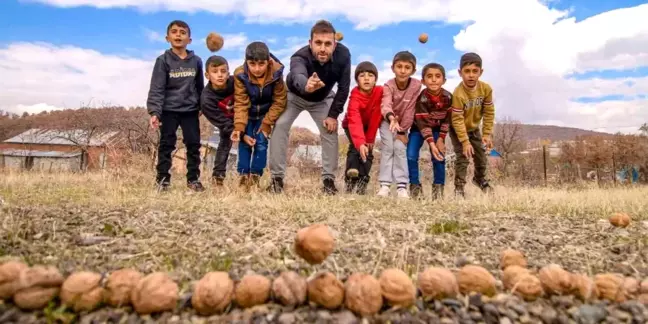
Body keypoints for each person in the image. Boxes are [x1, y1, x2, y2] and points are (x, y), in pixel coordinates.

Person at [267, 19, 351, 195]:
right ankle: (276, 179)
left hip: (323, 99)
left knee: (329, 129)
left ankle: (328, 181)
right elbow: (297, 73)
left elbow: (344, 88)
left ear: (335, 44)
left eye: (328, 44)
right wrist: (307, 84)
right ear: (310, 43)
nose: (322, 48)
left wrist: (333, 115)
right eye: (318, 43)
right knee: (280, 125)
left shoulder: (344, 56)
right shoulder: (299, 56)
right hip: (295, 95)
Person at [146, 20, 204, 192]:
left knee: (193, 145)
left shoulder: (197, 61)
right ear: (167, 37)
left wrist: (201, 105)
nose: (178, 34)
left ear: (189, 40)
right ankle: (162, 181)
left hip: (190, 111)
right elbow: (157, 88)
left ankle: (193, 180)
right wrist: (155, 112)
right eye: (174, 31)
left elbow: (200, 87)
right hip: (169, 110)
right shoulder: (163, 61)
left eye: (183, 32)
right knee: (166, 145)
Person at [230, 41, 287, 191]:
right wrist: (239, 127)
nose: (256, 69)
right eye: (252, 64)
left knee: (261, 144)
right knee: (244, 144)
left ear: (268, 62)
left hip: (265, 115)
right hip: (247, 114)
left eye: (261, 64)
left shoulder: (276, 74)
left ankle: (255, 176)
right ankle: (243, 177)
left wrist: (267, 122)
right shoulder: (240, 75)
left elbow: (280, 101)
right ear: (246, 62)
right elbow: (241, 102)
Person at [450, 52, 495, 197]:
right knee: (463, 157)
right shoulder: (458, 94)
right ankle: (459, 188)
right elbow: (457, 119)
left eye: (475, 71)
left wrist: (487, 134)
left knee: (481, 157)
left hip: (474, 128)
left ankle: (479, 179)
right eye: (467, 71)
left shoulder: (486, 89)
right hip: (458, 130)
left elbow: (489, 112)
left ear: (480, 72)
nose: (471, 75)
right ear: (460, 73)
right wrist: (464, 142)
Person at [377, 51, 422, 199]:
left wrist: (402, 131)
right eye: (399, 67)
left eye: (407, 67)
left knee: (400, 149)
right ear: (392, 68)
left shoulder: (416, 85)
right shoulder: (389, 85)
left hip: (403, 124)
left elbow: (410, 110)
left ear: (413, 70)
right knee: (388, 148)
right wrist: (391, 118)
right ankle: (385, 185)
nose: (403, 71)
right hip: (387, 121)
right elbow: (385, 104)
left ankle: (402, 186)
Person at [410, 63, 452, 200]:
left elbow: (447, 120)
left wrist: (440, 139)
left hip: (438, 130)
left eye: (438, 76)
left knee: (439, 156)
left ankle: (438, 191)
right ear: (423, 81)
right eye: (429, 76)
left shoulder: (448, 97)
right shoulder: (422, 99)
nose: (434, 80)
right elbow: (422, 123)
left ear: (444, 80)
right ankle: (415, 188)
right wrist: (431, 144)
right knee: (410, 155)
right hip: (419, 128)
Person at [341, 61, 383, 195]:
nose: (366, 78)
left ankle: (362, 183)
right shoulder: (354, 97)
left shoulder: (379, 92)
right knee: (355, 148)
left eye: (370, 75)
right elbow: (354, 121)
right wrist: (360, 143)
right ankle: (350, 179)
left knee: (368, 151)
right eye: (362, 75)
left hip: (369, 126)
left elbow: (377, 116)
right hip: (352, 126)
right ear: (357, 80)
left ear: (375, 79)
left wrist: (370, 139)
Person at [199, 55, 235, 186]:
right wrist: (235, 131)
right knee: (225, 143)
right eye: (215, 72)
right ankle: (218, 178)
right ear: (207, 75)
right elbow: (221, 122)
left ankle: (248, 176)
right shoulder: (206, 99)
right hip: (225, 121)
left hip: (243, 117)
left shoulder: (236, 82)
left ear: (228, 73)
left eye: (223, 71)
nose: (219, 75)